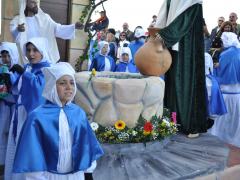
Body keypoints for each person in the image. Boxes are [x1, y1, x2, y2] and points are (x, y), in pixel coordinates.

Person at [12, 62, 104, 179]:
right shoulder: (37, 116)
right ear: (52, 86)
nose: (69, 87)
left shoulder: (78, 113)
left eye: (72, 83)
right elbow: (33, 153)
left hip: (76, 175)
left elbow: (86, 145)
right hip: (49, 176)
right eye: (62, 83)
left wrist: (88, 172)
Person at [155, 0, 208, 137]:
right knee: (172, 84)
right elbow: (163, 16)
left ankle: (191, 124)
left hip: (186, 45)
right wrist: (156, 32)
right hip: (172, 46)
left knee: (186, 83)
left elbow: (186, 19)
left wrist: (164, 35)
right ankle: (172, 120)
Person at [4, 37, 50, 180]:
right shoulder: (28, 67)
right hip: (20, 113)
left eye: (35, 50)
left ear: (42, 51)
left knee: (28, 148)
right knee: (16, 146)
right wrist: (11, 78)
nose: (31, 54)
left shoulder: (47, 69)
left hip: (33, 116)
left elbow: (38, 93)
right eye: (29, 50)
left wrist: (26, 74)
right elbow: (18, 88)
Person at [10, 0, 83, 64]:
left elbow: (58, 29)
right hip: (28, 58)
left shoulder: (45, 18)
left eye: (36, 2)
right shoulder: (17, 20)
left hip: (44, 59)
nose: (36, 4)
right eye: (33, 2)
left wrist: (74, 27)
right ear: (24, 3)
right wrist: (18, 30)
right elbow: (15, 35)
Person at [210, 32, 240, 147]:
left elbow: (218, 73)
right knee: (236, 122)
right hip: (238, 95)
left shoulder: (225, 54)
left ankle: (221, 140)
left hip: (225, 96)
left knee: (222, 123)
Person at [0, 42, 19, 167]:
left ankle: (11, 161)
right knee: (1, 131)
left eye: (8, 56)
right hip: (3, 105)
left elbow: (19, 87)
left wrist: (10, 77)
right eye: (3, 56)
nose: (6, 59)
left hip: (15, 108)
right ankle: (1, 161)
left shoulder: (18, 70)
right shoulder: (1, 69)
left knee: (13, 134)